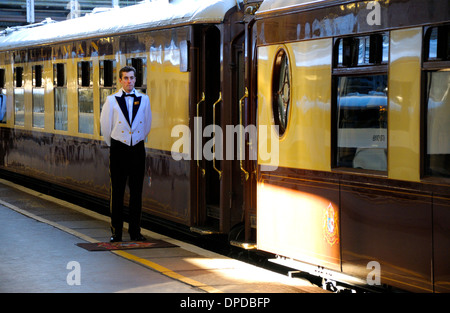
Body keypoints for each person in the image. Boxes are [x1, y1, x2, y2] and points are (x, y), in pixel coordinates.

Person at [100, 66, 152, 242]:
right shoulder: (111, 100)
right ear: (120, 80)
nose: (129, 81)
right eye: (126, 78)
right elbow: (106, 128)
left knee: (137, 192)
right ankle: (116, 232)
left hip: (137, 148)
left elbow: (147, 125)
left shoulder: (144, 99)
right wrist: (116, 143)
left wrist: (136, 140)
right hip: (118, 149)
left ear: (136, 80)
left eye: (132, 78)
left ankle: (135, 231)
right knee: (118, 192)